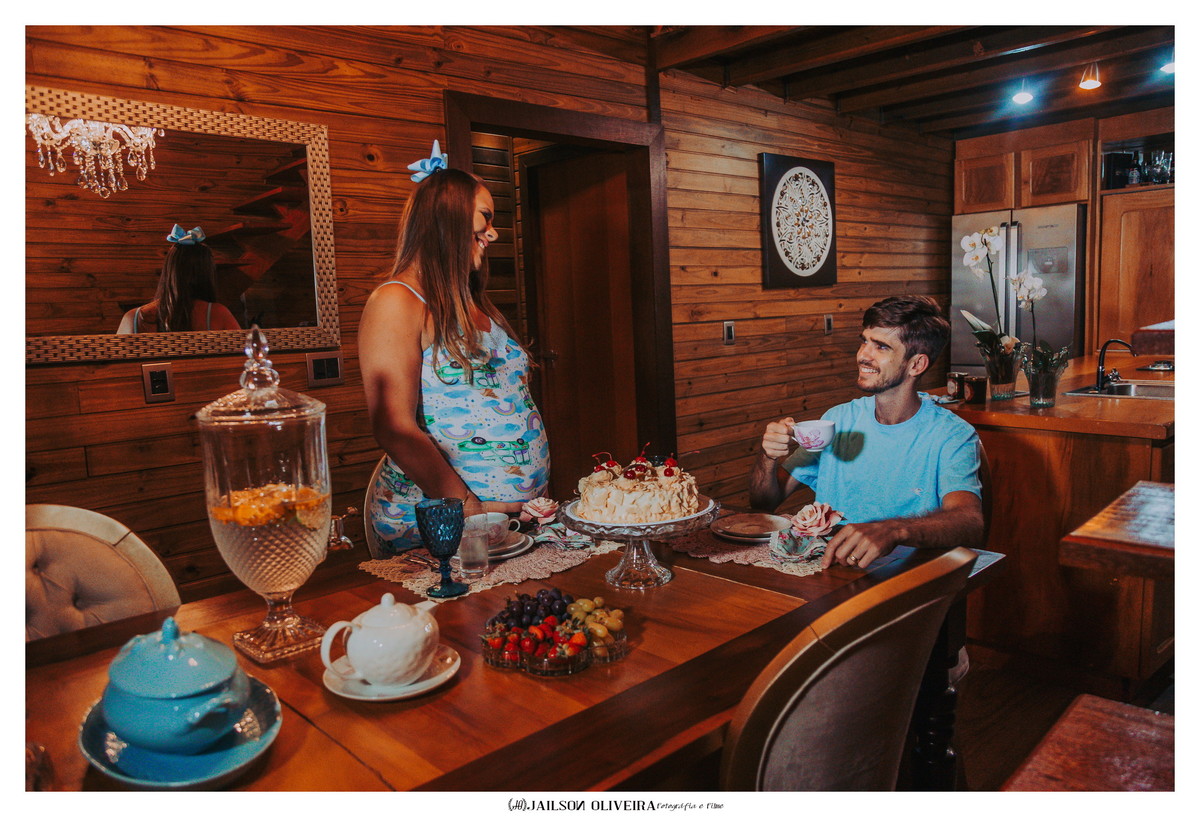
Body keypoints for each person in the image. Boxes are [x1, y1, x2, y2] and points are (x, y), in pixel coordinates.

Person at [358, 151, 550, 555]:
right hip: (445, 522)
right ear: (448, 217)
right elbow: (393, 426)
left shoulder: (474, 304)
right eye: (486, 217)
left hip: (507, 520)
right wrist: (470, 507)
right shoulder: (397, 301)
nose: (492, 234)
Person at [749, 295, 984, 570]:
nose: (863, 355)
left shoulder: (952, 435)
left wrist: (893, 530)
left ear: (916, 365)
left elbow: (969, 522)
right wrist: (768, 456)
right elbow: (763, 502)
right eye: (864, 341)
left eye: (881, 346)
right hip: (830, 570)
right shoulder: (837, 420)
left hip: (906, 578)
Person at [116, 225, 241, 334]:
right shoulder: (218, 314)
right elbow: (243, 351)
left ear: (168, 271)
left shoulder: (133, 318)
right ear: (207, 272)